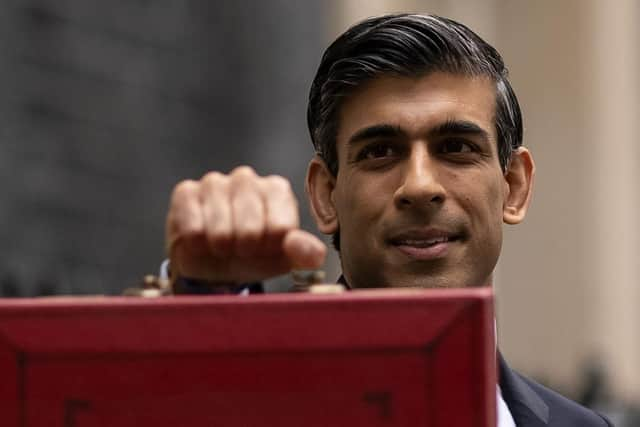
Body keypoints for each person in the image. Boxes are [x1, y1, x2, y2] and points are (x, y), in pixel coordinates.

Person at [163, 14, 612, 426]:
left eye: (456, 147)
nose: (418, 186)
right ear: (325, 195)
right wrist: (207, 300)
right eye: (379, 152)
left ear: (513, 187)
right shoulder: (252, 406)